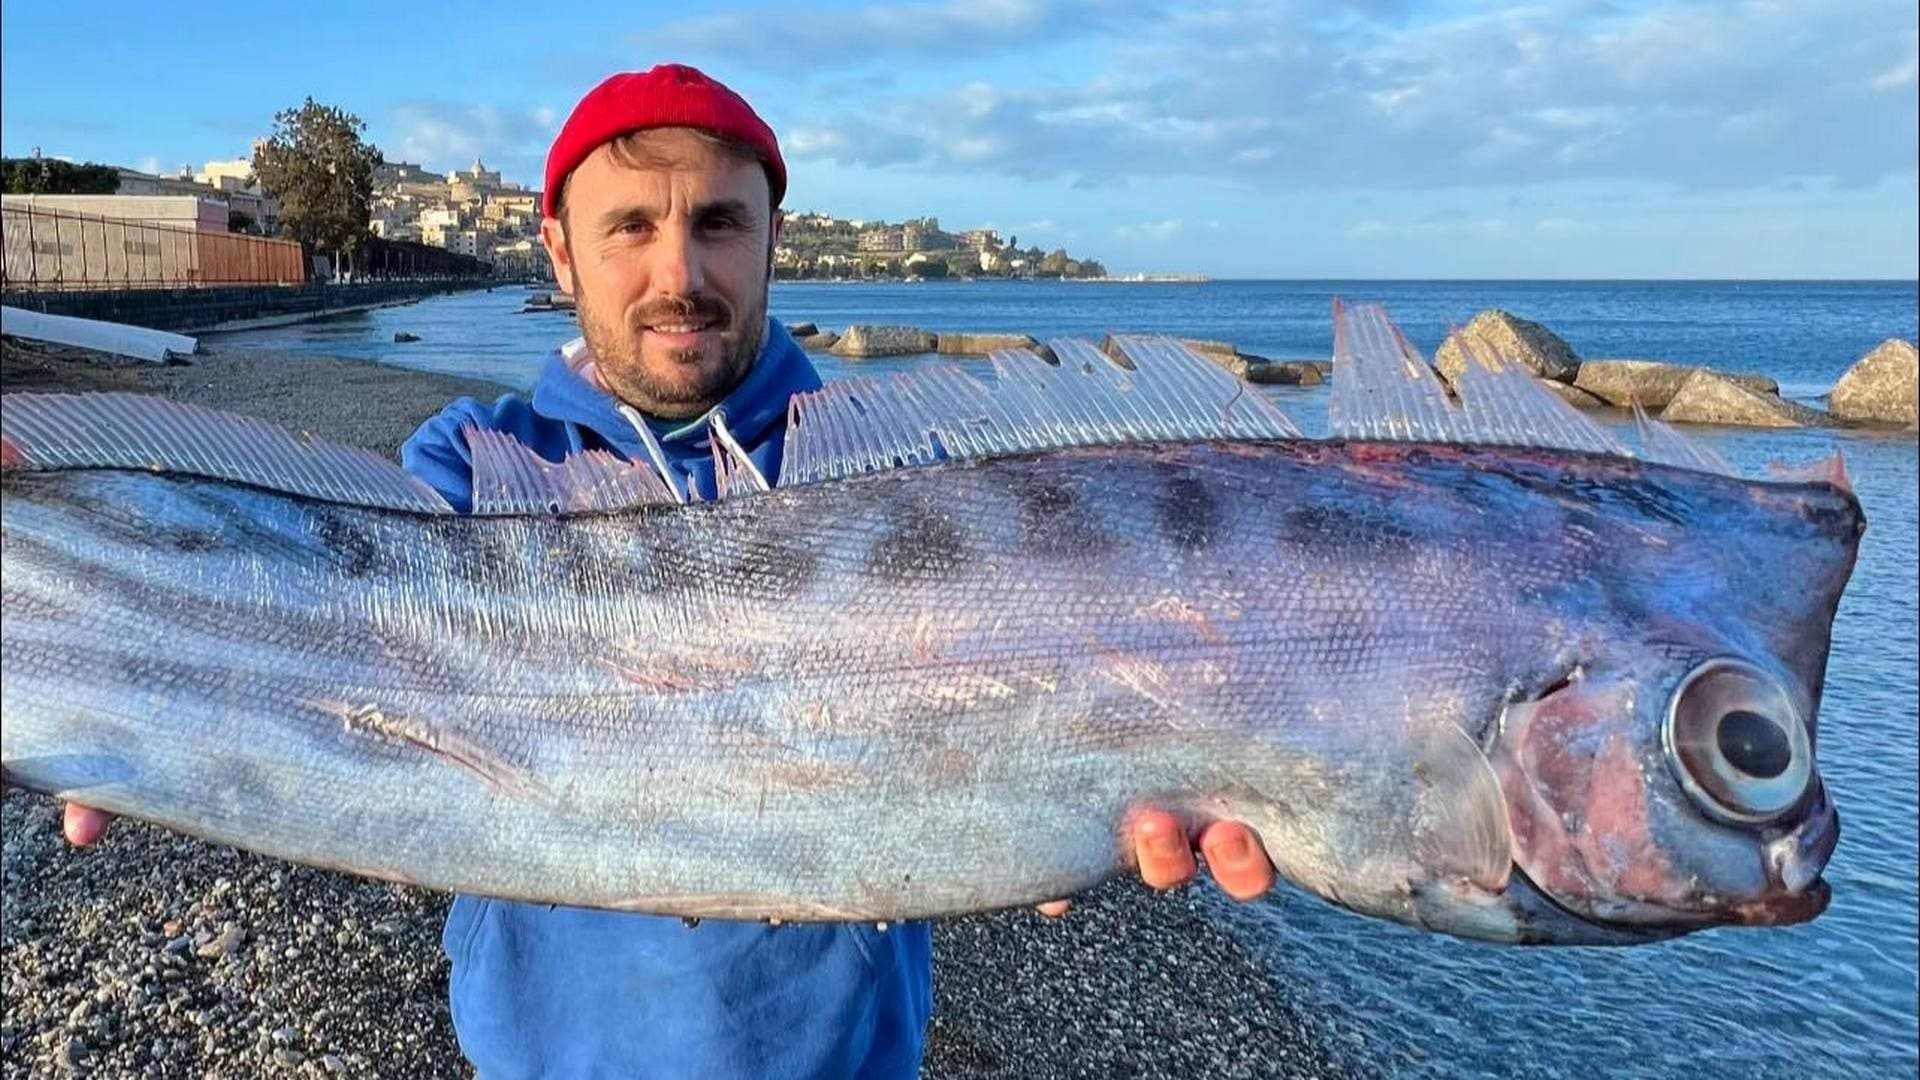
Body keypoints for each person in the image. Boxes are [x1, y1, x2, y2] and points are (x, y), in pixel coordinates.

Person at [59, 63, 1280, 1079]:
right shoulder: (473, 467)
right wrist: (123, 702)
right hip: (545, 1054)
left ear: (771, 241)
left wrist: (1080, 810)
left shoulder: (915, 476)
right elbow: (315, 614)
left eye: (718, 223)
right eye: (630, 227)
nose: (677, 273)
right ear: (560, 249)